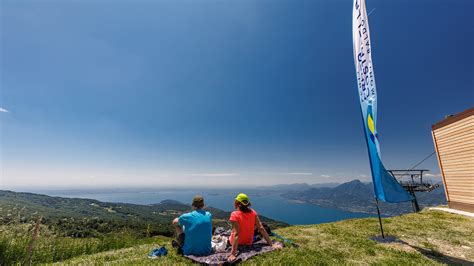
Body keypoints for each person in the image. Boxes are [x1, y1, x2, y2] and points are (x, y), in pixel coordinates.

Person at [227, 193, 279, 262]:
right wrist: (271, 244)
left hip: (237, 243)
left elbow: (237, 234)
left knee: (230, 235)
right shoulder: (253, 212)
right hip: (249, 242)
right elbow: (261, 228)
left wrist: (233, 254)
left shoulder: (234, 215)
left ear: (237, 203)